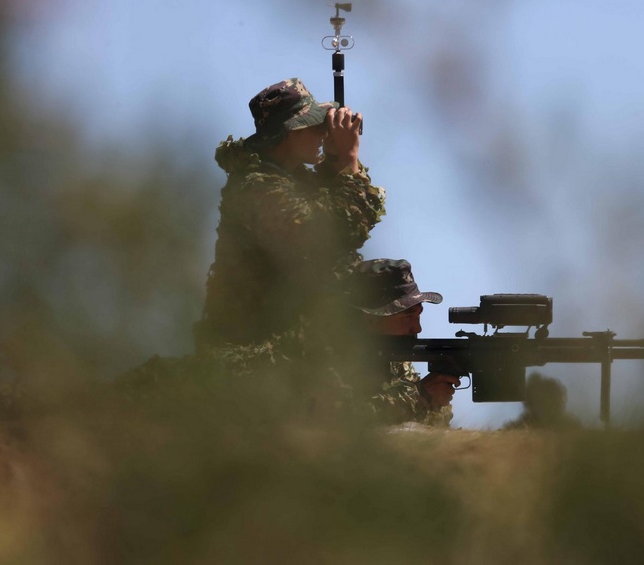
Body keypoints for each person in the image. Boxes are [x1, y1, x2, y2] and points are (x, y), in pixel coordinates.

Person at [194, 78, 385, 349]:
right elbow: (330, 236)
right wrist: (349, 159)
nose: (323, 133)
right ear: (289, 132)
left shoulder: (288, 178)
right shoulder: (257, 186)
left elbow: (338, 208)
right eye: (315, 126)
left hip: (278, 342)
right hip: (250, 351)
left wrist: (334, 162)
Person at [344, 259, 460, 426]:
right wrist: (421, 395)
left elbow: (424, 423)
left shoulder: (393, 356)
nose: (417, 328)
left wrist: (435, 401)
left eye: (418, 315)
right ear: (370, 319)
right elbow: (346, 417)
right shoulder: (332, 353)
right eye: (407, 317)